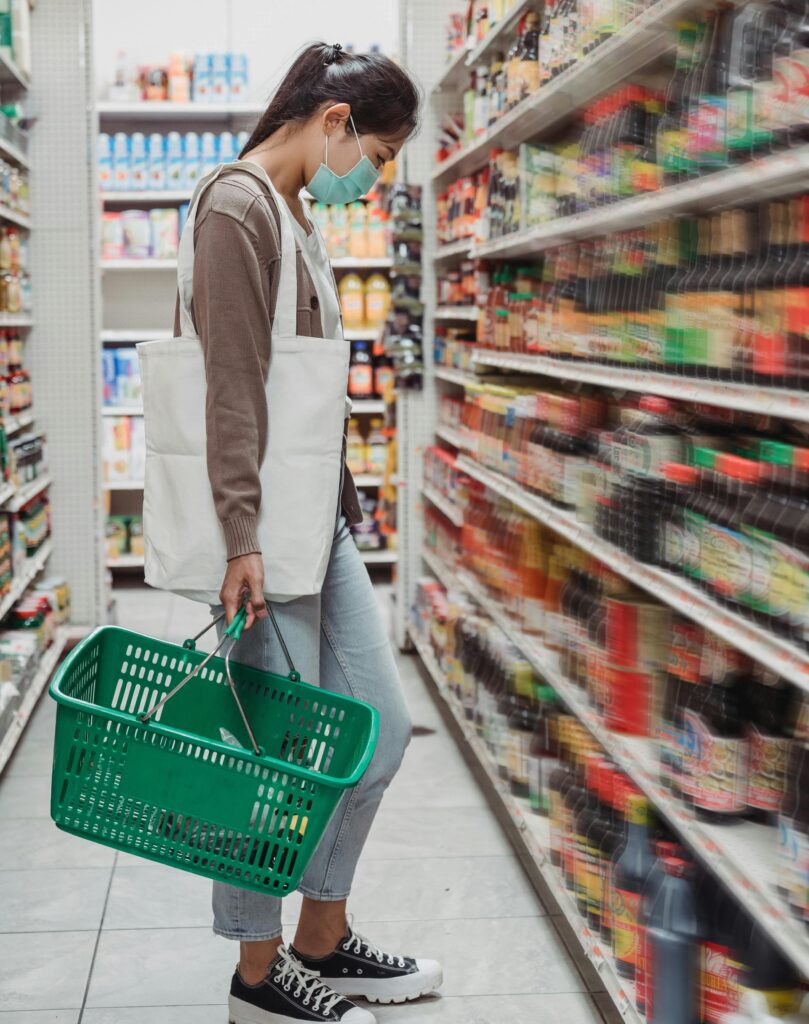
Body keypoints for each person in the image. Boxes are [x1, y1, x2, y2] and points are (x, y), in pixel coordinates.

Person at [170, 40, 438, 1024]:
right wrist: (240, 534)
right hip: (260, 540)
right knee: (268, 756)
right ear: (334, 123)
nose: (369, 177)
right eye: (375, 153)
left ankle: (322, 935)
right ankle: (257, 973)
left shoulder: (286, 211)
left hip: (310, 525)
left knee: (374, 731)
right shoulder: (237, 205)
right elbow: (230, 389)